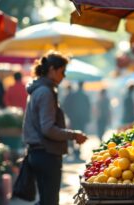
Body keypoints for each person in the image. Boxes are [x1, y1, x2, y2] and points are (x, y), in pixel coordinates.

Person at [22, 52, 87, 205]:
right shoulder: (45, 92)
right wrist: (73, 135)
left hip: (38, 153)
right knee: (49, 201)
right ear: (52, 69)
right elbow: (48, 129)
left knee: (46, 200)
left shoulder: (39, 89)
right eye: (62, 72)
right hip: (46, 154)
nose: (63, 76)